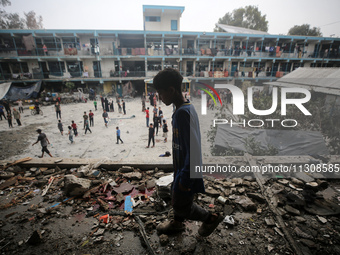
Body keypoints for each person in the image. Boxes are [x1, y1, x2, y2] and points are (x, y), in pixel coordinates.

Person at [153, 68, 223, 237]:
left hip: (187, 170)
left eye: (161, 94)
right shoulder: (183, 108)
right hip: (182, 167)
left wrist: (185, 177)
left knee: (181, 204)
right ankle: (177, 223)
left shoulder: (183, 113)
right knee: (176, 196)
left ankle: (210, 219)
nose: (160, 98)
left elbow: (194, 149)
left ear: (171, 90)